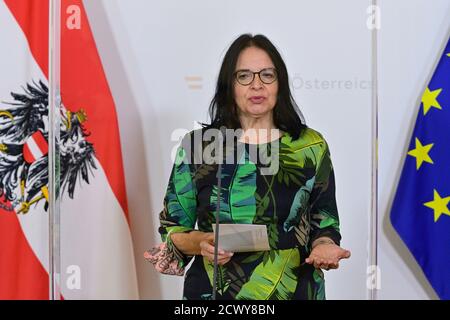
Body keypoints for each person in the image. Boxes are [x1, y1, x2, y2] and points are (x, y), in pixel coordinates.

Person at [158, 34, 351, 300]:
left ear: (279, 82)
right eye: (244, 76)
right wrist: (202, 242)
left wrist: (325, 246)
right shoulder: (199, 147)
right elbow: (173, 228)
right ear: (229, 85)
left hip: (294, 288)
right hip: (215, 292)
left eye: (267, 75)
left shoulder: (309, 145)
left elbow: (325, 221)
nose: (257, 85)